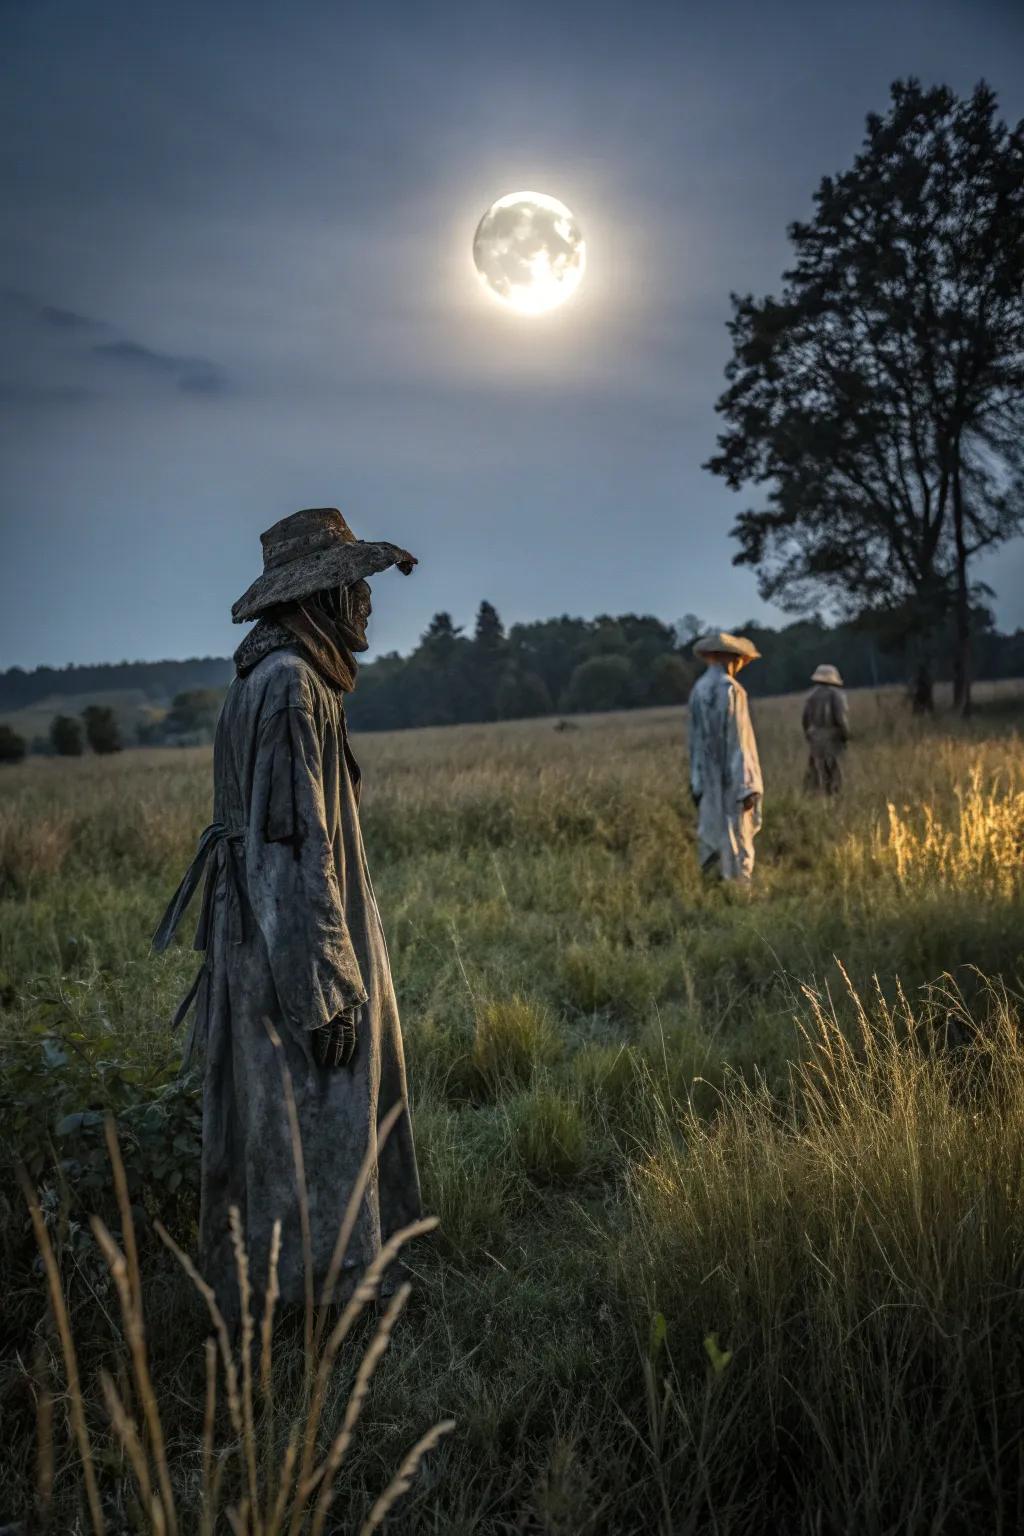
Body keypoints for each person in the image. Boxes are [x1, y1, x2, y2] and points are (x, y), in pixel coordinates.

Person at [153, 507, 421, 1319]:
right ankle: (324, 1309)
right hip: (291, 946)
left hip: (277, 936)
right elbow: (291, 850)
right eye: (355, 585)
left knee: (284, 1122)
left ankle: (300, 1298)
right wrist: (327, 988)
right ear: (320, 599)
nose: (368, 601)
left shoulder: (282, 679)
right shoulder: (289, 688)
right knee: (311, 1117)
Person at [688, 630, 763, 883]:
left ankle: (712, 886)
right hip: (732, 778)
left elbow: (694, 741)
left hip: (706, 776)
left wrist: (696, 781)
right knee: (737, 833)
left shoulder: (698, 689)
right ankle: (737, 890)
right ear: (731, 658)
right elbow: (739, 741)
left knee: (712, 830)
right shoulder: (732, 690)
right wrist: (748, 786)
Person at [803, 664, 849, 796]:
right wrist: (845, 736)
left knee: (815, 769)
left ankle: (813, 795)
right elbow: (841, 719)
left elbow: (805, 719)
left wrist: (809, 735)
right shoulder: (837, 695)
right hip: (832, 737)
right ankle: (833, 796)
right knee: (834, 770)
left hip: (815, 737)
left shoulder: (811, 696)